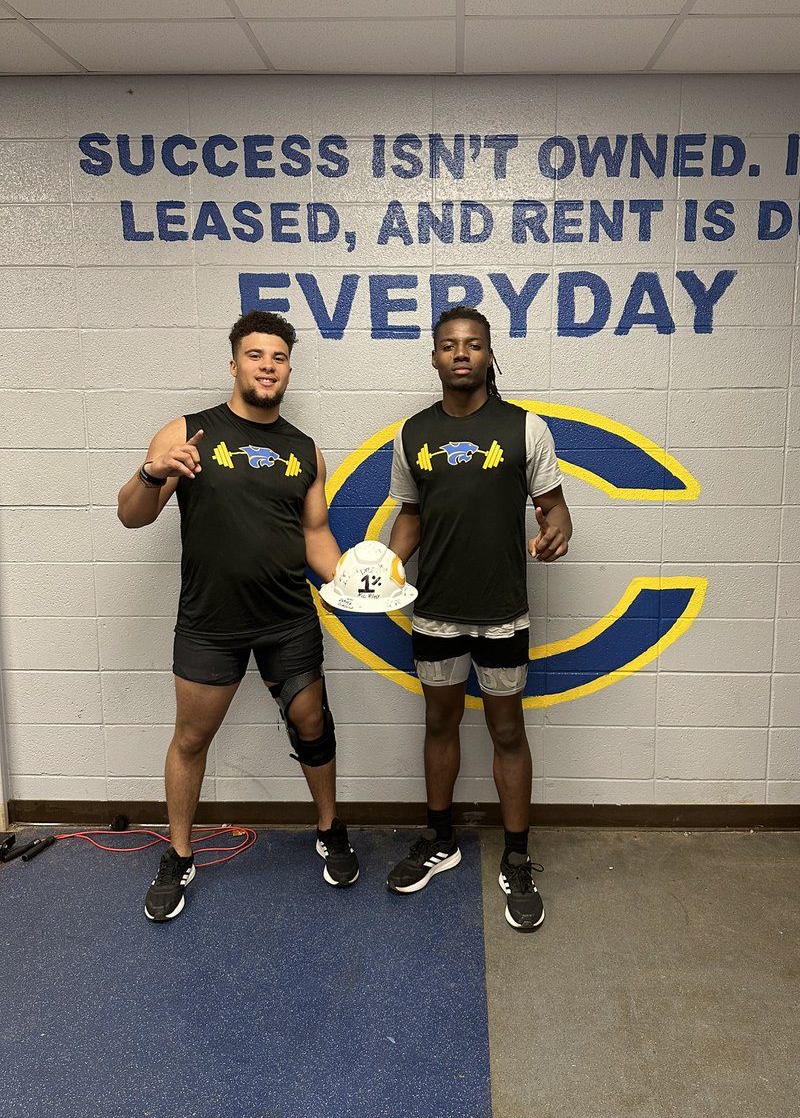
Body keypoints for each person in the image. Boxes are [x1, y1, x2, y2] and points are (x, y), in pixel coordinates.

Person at [117, 311, 359, 922]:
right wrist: (154, 472)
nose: (267, 366)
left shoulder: (305, 451)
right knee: (192, 738)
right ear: (234, 364)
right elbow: (131, 515)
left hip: (287, 620)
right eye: (255, 355)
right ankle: (178, 854)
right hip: (210, 623)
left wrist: (355, 581)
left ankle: (330, 829)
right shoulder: (187, 434)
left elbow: (316, 536)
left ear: (288, 370)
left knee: (314, 725)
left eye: (278, 358)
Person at [385, 306, 572, 931]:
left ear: (490, 355)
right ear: (434, 358)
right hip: (435, 612)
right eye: (449, 345)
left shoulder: (525, 429)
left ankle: (516, 856)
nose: (461, 353)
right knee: (439, 724)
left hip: (501, 614)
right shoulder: (411, 434)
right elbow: (410, 514)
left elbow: (554, 510)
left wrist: (557, 531)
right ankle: (441, 841)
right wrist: (383, 566)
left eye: (473, 345)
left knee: (507, 731)